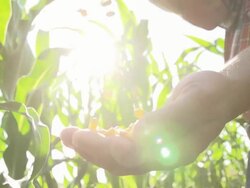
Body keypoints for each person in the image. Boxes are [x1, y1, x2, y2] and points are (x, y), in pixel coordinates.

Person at [60, 0, 250, 175]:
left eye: (182, 6)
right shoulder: (235, 28)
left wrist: (221, 92)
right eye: (180, 14)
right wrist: (224, 92)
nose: (192, 20)